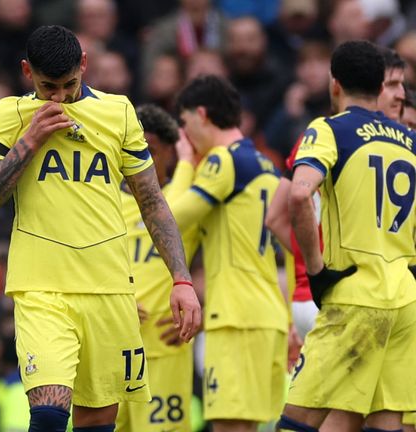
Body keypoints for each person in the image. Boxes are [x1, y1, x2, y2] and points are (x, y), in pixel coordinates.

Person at [0, 25, 200, 431]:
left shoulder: (119, 112)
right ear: (27, 72)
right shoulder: (9, 114)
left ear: (85, 65)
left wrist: (181, 279)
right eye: (47, 86)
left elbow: (152, 201)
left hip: (108, 288)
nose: (59, 97)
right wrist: (31, 140)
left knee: (98, 420)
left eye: (69, 84)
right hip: (42, 287)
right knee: (50, 413)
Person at [277, 40, 416, 432]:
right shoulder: (410, 141)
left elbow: (301, 193)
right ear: (380, 86)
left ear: (333, 83)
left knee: (295, 421)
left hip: (355, 294)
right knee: (384, 419)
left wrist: (317, 269)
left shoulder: (329, 129)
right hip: (405, 297)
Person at [169, 74, 288, 432]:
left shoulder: (223, 161)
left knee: (228, 427)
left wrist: (186, 162)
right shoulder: (266, 164)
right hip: (269, 315)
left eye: (185, 123)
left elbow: (169, 218)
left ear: (202, 115)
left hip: (236, 316)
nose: (185, 135)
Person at [115, 104, 201, 432]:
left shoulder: (186, 196)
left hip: (165, 346)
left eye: (148, 149)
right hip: (116, 344)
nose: (140, 158)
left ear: (169, 150)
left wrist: (200, 313)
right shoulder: (106, 200)